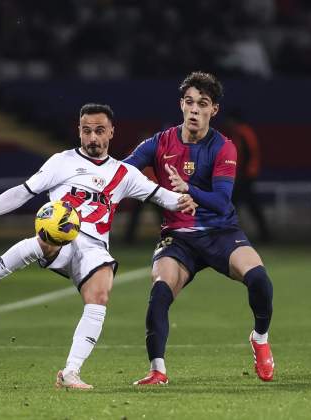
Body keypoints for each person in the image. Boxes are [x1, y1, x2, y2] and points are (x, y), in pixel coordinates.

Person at [0, 103, 197, 389]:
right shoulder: (61, 162)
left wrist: (187, 197)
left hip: (94, 249)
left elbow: (165, 198)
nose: (92, 138)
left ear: (111, 132)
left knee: (100, 293)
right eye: (86, 131)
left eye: (99, 131)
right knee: (49, 233)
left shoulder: (124, 174)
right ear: (79, 130)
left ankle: (70, 372)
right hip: (61, 237)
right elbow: (21, 194)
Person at [123, 71, 275, 384]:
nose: (194, 109)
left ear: (213, 110)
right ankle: (157, 371)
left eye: (202, 103)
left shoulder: (224, 147)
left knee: (259, 279)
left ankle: (260, 338)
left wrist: (188, 188)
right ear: (181, 105)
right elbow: (122, 172)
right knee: (159, 293)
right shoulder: (159, 142)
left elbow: (221, 202)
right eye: (189, 102)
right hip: (178, 239)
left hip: (220, 232)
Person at [226, 109, 271, 242]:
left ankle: (228, 233)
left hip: (244, 177)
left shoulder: (242, 133)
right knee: (249, 206)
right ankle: (264, 234)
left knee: (233, 206)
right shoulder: (244, 132)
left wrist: (240, 174)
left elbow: (245, 156)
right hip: (246, 176)